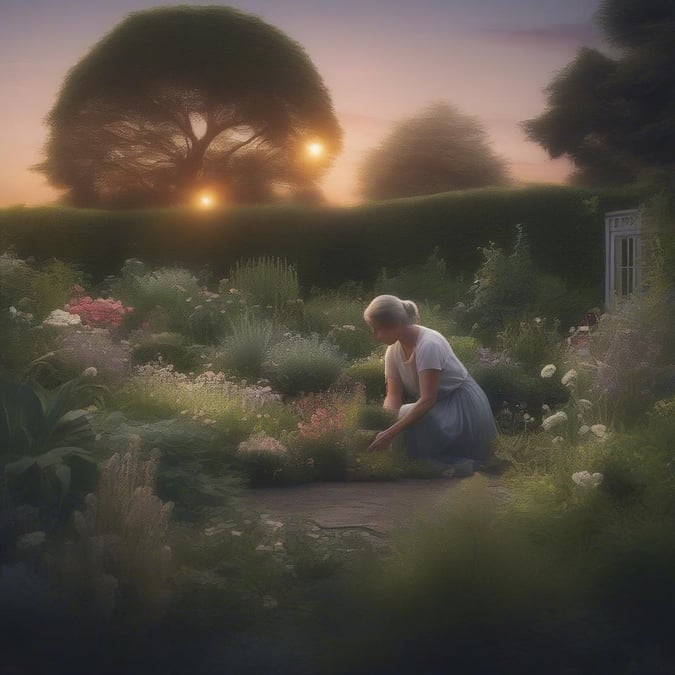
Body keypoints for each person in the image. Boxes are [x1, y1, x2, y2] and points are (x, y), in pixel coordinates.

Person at [363, 294, 496, 476]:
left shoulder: (428, 345)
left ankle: (447, 464)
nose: (373, 334)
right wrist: (385, 426)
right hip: (437, 406)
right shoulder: (393, 351)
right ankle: (400, 463)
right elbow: (393, 397)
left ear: (393, 325)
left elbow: (427, 400)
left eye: (376, 328)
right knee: (401, 417)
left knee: (406, 414)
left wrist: (390, 434)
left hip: (461, 407)